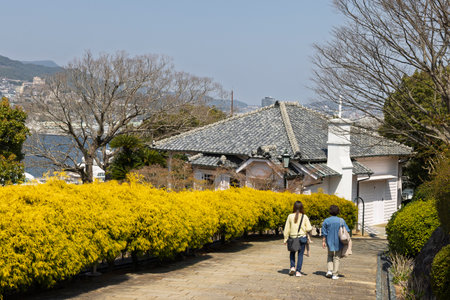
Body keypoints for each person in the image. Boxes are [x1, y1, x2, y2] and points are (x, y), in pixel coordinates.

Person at [283, 201, 312, 277]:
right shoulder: (304, 216)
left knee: (292, 253)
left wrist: (285, 238)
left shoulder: (290, 216)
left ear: (294, 207)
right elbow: (309, 228)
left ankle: (292, 267)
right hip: (302, 238)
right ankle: (298, 271)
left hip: (292, 238)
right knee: (300, 255)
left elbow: (287, 228)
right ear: (302, 207)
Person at [321, 205, 350, 280]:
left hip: (329, 240)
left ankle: (329, 271)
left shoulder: (326, 220)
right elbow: (347, 230)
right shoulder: (341, 220)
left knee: (330, 255)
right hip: (339, 241)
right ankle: (335, 274)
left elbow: (324, 232)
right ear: (338, 212)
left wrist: (323, 241)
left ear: (330, 212)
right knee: (337, 257)